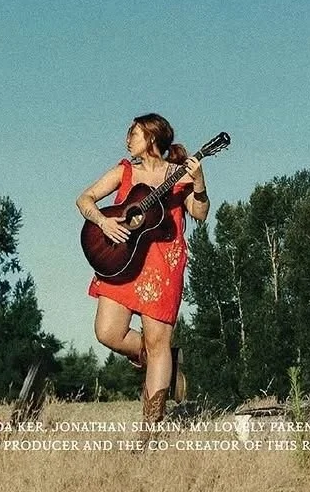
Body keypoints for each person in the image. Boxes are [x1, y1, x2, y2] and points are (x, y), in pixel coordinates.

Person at [76, 113, 210, 429]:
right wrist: (102, 220)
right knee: (107, 332)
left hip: (162, 263)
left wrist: (200, 184)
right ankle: (160, 360)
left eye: (133, 133)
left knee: (158, 341)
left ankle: (150, 429)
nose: (127, 140)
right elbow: (85, 198)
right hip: (122, 259)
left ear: (151, 137)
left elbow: (200, 214)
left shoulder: (179, 175)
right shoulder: (124, 171)